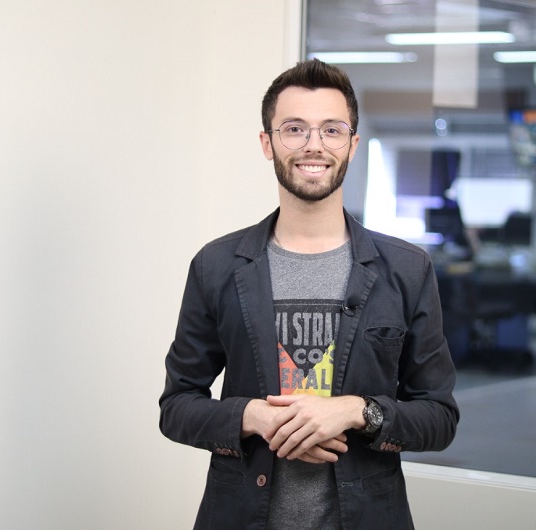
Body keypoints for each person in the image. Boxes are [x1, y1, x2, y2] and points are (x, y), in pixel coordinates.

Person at [159, 59, 459, 530]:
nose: (313, 145)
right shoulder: (216, 266)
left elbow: (439, 417)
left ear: (352, 144)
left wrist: (358, 411)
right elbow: (177, 407)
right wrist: (253, 416)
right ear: (268, 143)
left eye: (332, 130)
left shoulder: (406, 269)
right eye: (294, 129)